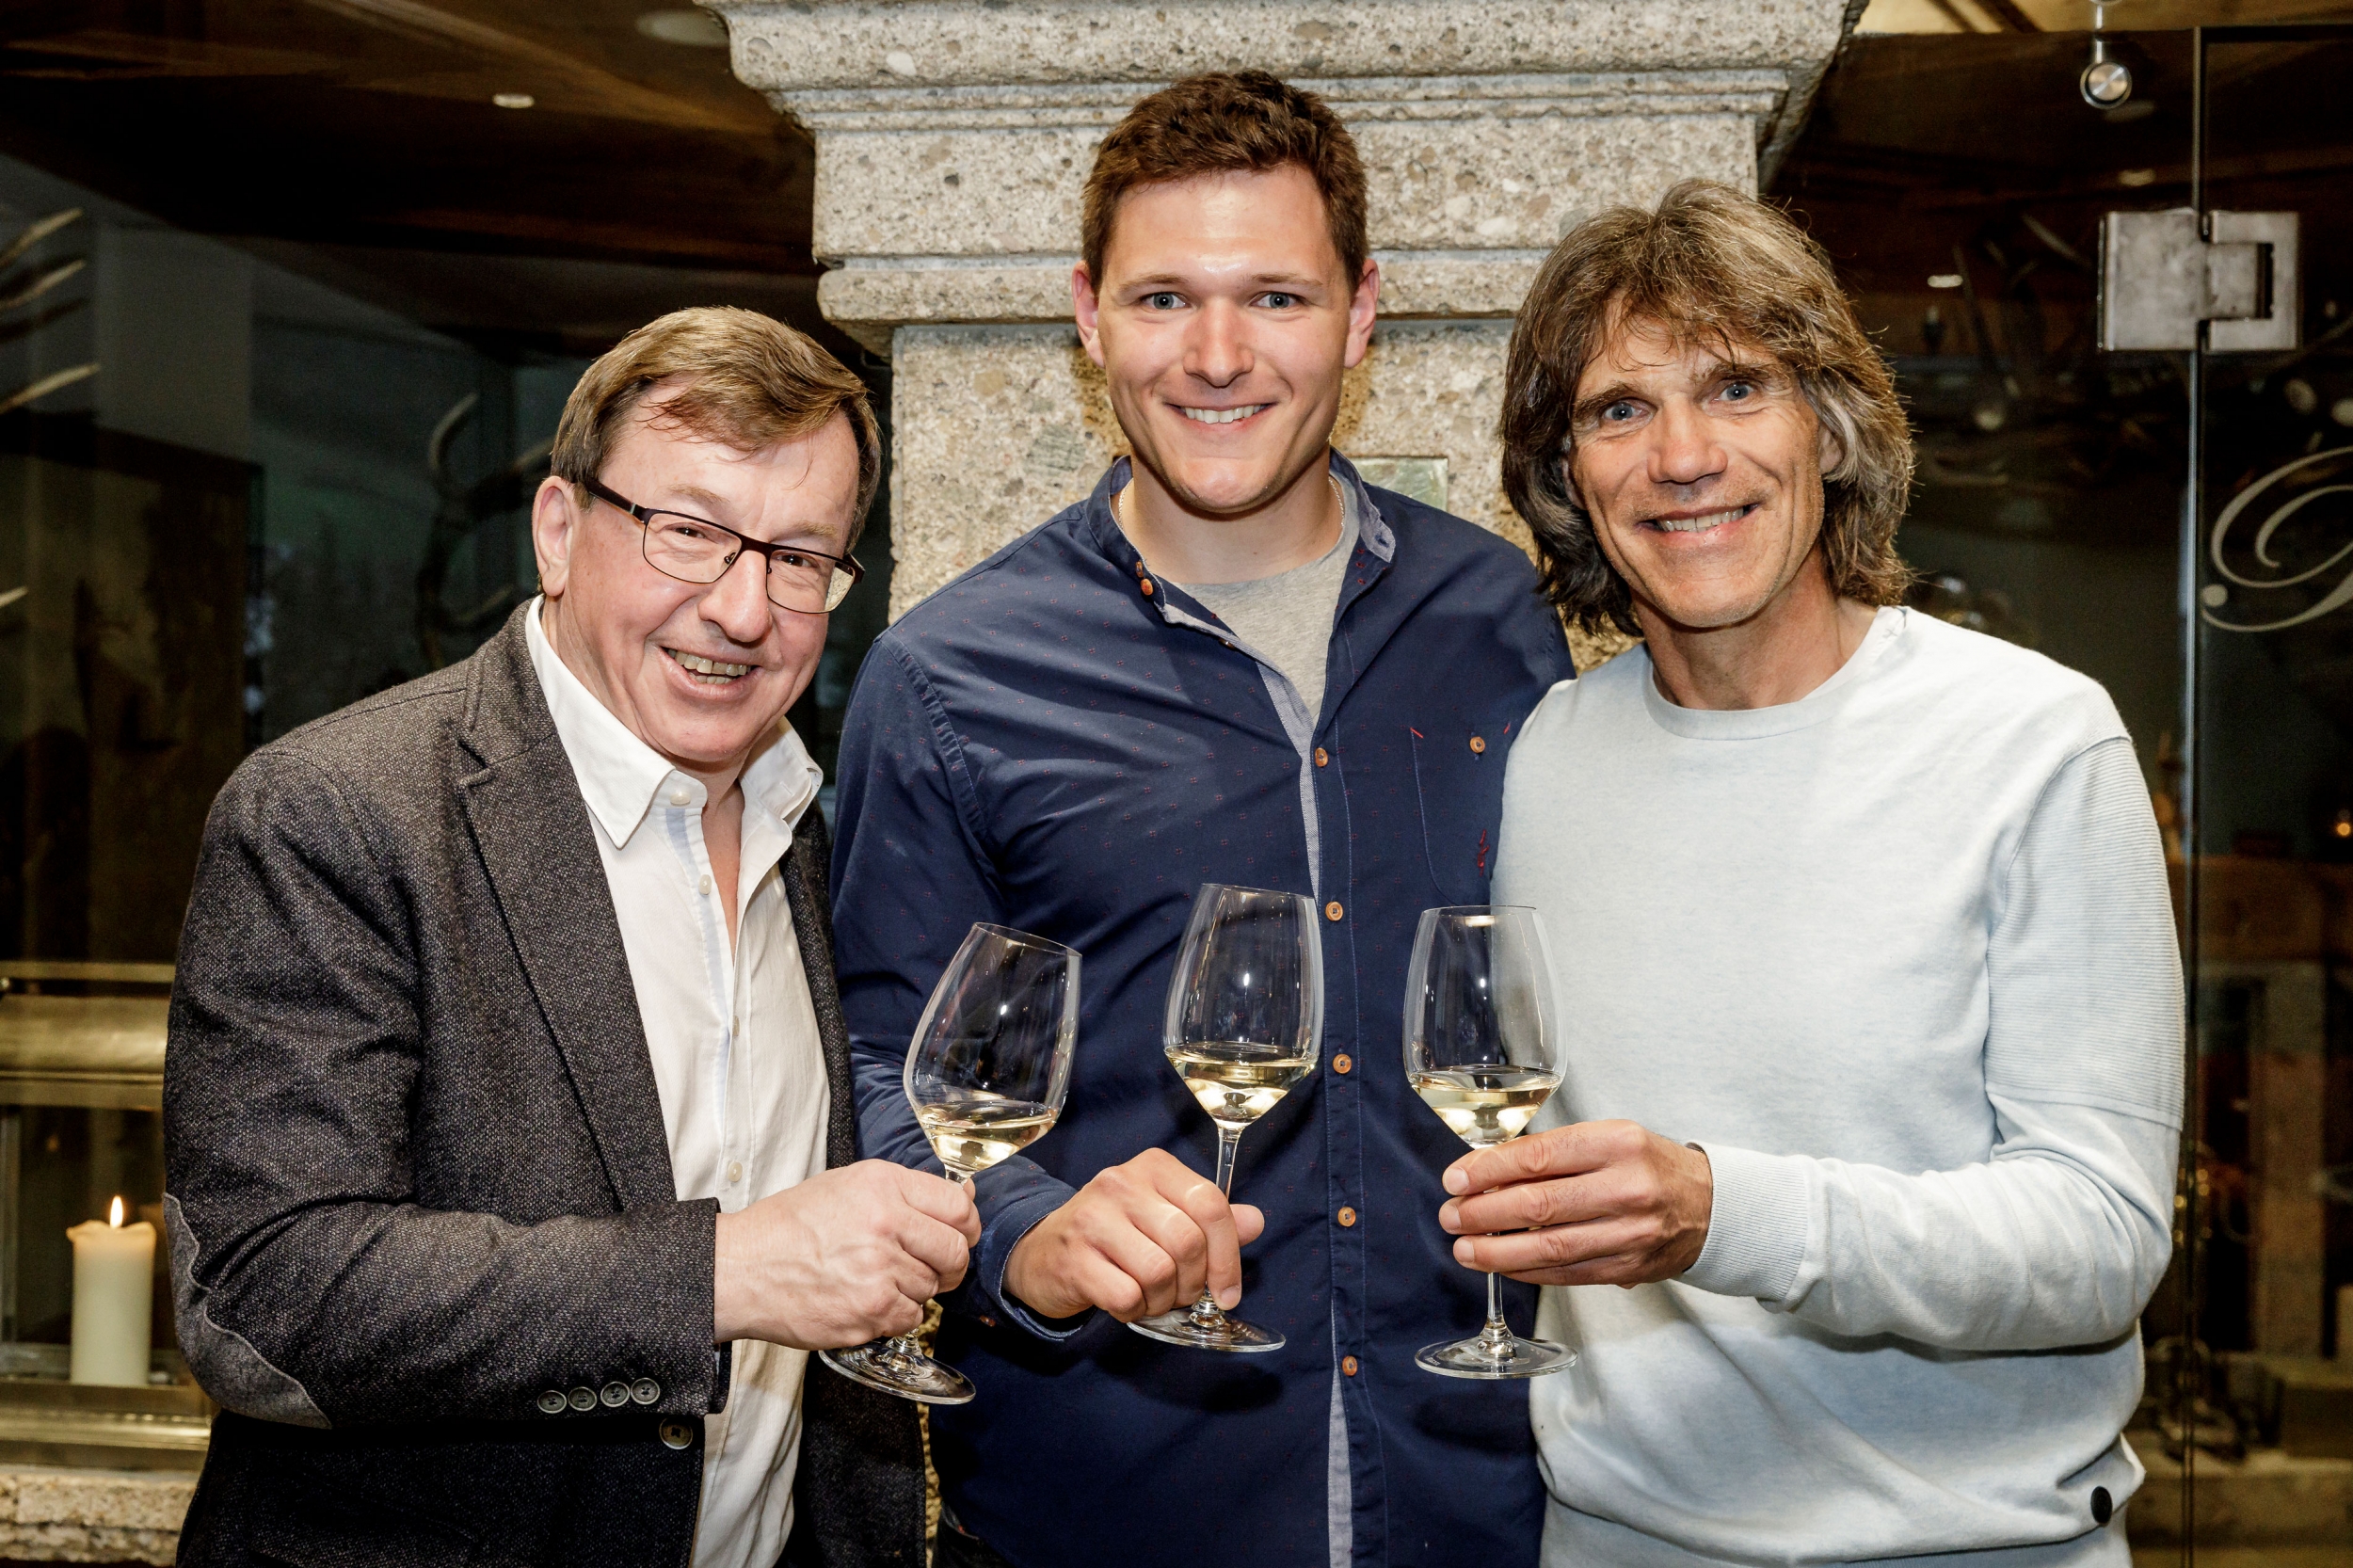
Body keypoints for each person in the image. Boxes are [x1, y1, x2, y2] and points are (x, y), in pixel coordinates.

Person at [829, 71, 1576, 1568]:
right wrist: (1025, 1234)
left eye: (1275, 297)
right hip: (1103, 1505)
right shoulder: (949, 673)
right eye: (1165, 297)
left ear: (1362, 316)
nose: (1219, 355)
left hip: (1476, 1504)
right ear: (1087, 317)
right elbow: (874, 1063)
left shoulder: (1498, 616)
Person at [164, 307, 977, 1567]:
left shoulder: (811, 831)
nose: (745, 608)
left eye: (800, 557)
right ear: (559, 530)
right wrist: (716, 1274)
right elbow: (263, 1297)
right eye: (691, 533)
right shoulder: (338, 811)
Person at [1445, 181, 2183, 1566]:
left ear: (1831, 429)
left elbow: (2102, 1235)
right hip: (1612, 1539)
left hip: (1971, 1547)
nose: (1681, 454)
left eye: (1736, 387)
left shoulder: (2033, 737)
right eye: (1617, 409)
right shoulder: (1552, 751)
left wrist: (1726, 1211)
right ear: (1567, 472)